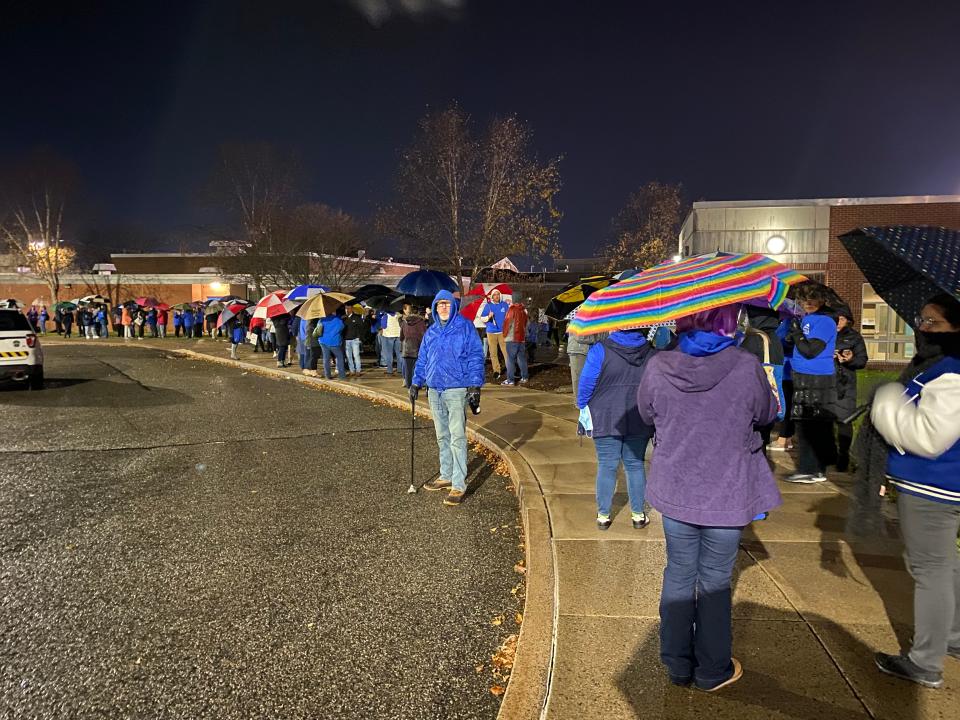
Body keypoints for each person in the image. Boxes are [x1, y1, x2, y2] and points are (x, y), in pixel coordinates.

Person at [637, 305, 781, 692]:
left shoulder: (658, 365)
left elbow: (646, 413)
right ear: (728, 322)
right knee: (716, 581)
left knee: (680, 573)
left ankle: (677, 664)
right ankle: (712, 669)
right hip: (727, 492)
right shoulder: (747, 365)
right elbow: (767, 414)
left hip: (677, 487)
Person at [866, 294, 960, 689]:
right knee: (945, 565)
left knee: (931, 569)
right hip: (940, 484)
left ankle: (925, 661)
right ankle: (951, 636)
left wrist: (887, 402)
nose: (922, 328)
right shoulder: (943, 366)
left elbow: (928, 436)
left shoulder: (952, 372)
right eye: (921, 319)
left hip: (935, 485)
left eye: (933, 322)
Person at [409, 290, 485, 506]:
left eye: (447, 304)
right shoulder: (431, 331)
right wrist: (416, 381)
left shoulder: (465, 327)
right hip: (435, 389)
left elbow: (476, 356)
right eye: (439, 304)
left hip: (456, 389)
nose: (443, 307)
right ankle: (447, 474)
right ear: (434, 307)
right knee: (442, 435)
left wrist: (474, 384)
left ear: (453, 306)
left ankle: (458, 484)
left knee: (457, 436)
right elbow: (423, 358)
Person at [577, 328, 655, 530]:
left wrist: (583, 407)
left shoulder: (599, 350)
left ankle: (603, 515)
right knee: (635, 464)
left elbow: (585, 385)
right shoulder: (652, 353)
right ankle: (638, 514)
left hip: (605, 415)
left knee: (607, 465)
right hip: (639, 416)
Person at [784, 283, 838, 483]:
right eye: (805, 299)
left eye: (812, 299)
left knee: (811, 425)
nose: (808, 303)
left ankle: (812, 470)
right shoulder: (808, 319)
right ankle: (810, 468)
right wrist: (793, 335)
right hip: (803, 376)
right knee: (805, 423)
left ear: (822, 300)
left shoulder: (825, 321)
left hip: (816, 379)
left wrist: (798, 333)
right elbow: (800, 345)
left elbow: (811, 350)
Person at [740, 306, 786, 452]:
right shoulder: (774, 338)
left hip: (755, 402)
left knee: (754, 446)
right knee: (763, 443)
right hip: (770, 401)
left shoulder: (755, 339)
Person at [832, 304, 868, 471]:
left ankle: (843, 455)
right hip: (825, 382)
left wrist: (850, 360)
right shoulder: (825, 334)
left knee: (844, 420)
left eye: (842, 318)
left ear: (848, 320)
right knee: (825, 420)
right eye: (836, 318)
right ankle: (828, 453)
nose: (838, 321)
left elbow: (862, 360)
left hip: (845, 384)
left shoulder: (854, 337)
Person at [501, 292, 529, 386]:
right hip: (521, 338)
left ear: (513, 299)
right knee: (521, 358)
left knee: (510, 359)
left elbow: (507, 324)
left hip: (512, 338)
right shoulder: (524, 311)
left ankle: (510, 380)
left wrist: (504, 334)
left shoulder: (512, 309)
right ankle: (524, 377)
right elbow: (525, 324)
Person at [481, 289, 509, 378]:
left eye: (498, 294)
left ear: (500, 295)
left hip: (502, 332)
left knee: (506, 352)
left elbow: (509, 316)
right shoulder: (488, 306)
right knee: (493, 353)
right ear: (492, 297)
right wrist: (489, 316)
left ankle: (510, 369)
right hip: (491, 332)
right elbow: (482, 318)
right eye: (494, 295)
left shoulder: (504, 305)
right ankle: (497, 371)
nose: (496, 296)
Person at [399, 303, 426, 388]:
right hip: (418, 348)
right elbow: (424, 335)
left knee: (408, 370)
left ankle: (409, 387)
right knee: (417, 368)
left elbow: (401, 336)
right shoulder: (421, 322)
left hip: (407, 349)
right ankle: (416, 385)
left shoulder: (404, 322)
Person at [316, 313, 346, 380]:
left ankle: (327, 375)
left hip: (323, 341)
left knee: (326, 358)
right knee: (340, 357)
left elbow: (318, 330)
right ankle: (342, 376)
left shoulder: (321, 320)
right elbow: (342, 327)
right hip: (334, 342)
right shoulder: (337, 319)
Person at [343, 304, 366, 376]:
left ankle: (358, 370)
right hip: (346, 340)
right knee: (349, 356)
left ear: (352, 309)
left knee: (356, 355)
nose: (347, 310)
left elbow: (362, 328)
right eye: (346, 309)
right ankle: (352, 370)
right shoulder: (343, 318)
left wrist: (360, 338)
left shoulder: (357, 318)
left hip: (355, 339)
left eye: (348, 308)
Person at [379, 308, 402, 375]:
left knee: (389, 354)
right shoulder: (399, 315)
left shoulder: (386, 316)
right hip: (398, 335)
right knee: (399, 353)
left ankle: (390, 370)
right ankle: (399, 369)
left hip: (388, 336)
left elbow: (383, 326)